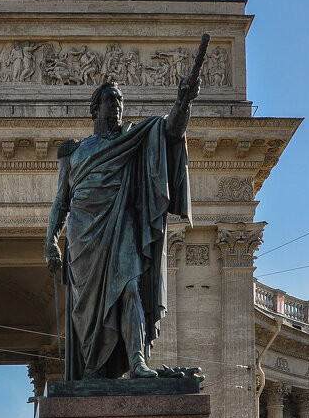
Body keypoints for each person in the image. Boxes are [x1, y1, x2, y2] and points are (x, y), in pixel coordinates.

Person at [44, 50, 203, 380]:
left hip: (121, 225)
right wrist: (50, 241)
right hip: (83, 234)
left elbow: (170, 131)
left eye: (120, 101)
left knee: (130, 287)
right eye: (110, 101)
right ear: (95, 108)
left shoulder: (134, 138)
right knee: (85, 311)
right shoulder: (75, 151)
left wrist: (183, 101)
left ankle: (137, 361)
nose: (117, 106)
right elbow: (62, 200)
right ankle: (92, 366)